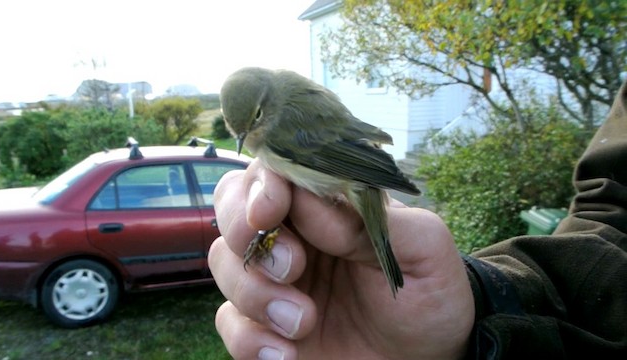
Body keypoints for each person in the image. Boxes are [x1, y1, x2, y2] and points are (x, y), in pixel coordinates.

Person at [208, 81, 627, 359]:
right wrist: (478, 316)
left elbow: (335, 157)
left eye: (255, 121)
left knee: (295, 210)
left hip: (347, 172)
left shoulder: (283, 121)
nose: (248, 136)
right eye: (237, 129)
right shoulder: (274, 107)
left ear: (268, 102)